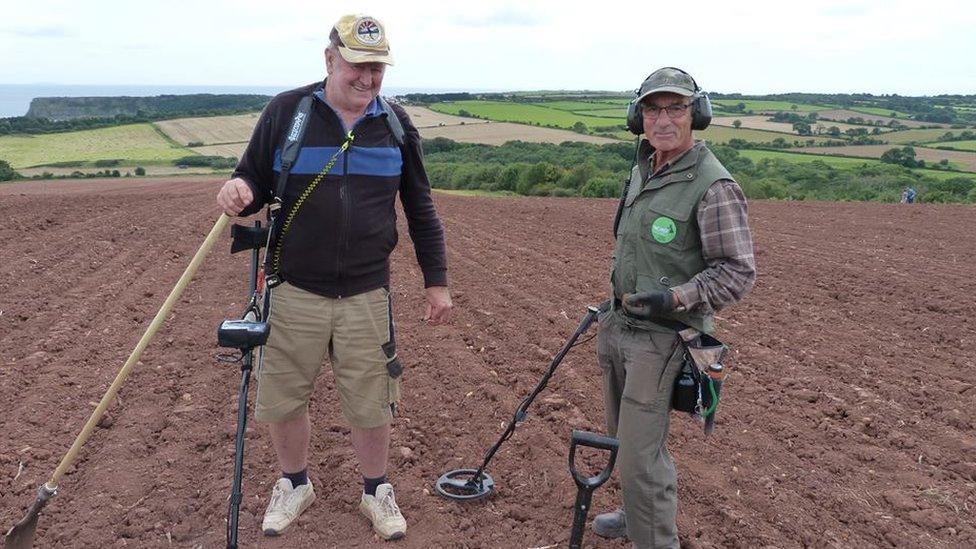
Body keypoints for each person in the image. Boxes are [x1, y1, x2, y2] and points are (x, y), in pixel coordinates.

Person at [216, 14, 452, 542]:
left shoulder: (395, 124)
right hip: (293, 286)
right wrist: (236, 190)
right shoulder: (287, 113)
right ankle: (294, 484)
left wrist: (435, 281)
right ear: (329, 60)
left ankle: (375, 491)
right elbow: (251, 175)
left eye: (377, 69)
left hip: (368, 290)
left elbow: (420, 205)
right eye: (357, 67)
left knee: (372, 399)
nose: (368, 79)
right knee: (284, 396)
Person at [593, 67, 756, 548]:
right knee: (624, 438)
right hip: (620, 325)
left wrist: (675, 297)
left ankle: (655, 540)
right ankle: (633, 513)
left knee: (643, 456)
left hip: (663, 339)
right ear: (637, 116)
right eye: (652, 108)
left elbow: (738, 272)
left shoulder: (713, 185)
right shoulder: (644, 167)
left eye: (676, 108)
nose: (663, 119)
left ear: (695, 115)